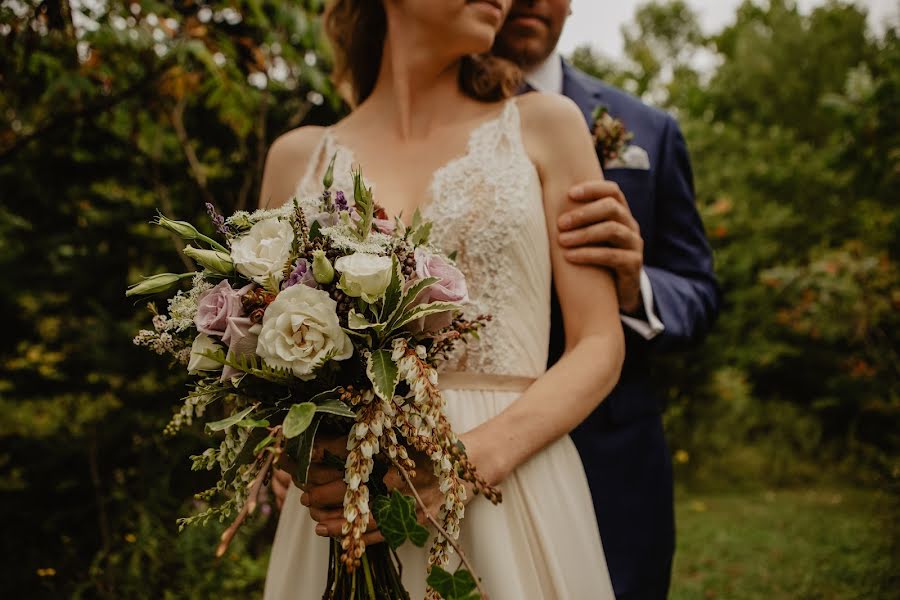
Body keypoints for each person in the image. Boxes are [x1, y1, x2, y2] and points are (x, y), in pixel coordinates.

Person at [259, 0, 625, 597]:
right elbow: (263, 353)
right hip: (342, 509)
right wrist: (290, 449)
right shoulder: (298, 157)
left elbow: (600, 343)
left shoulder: (547, 126)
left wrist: (459, 467)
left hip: (511, 489)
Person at [495, 1, 721, 598]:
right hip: (459, 437)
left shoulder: (647, 128)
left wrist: (633, 284)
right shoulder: (424, 120)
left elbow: (698, 290)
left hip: (613, 459)